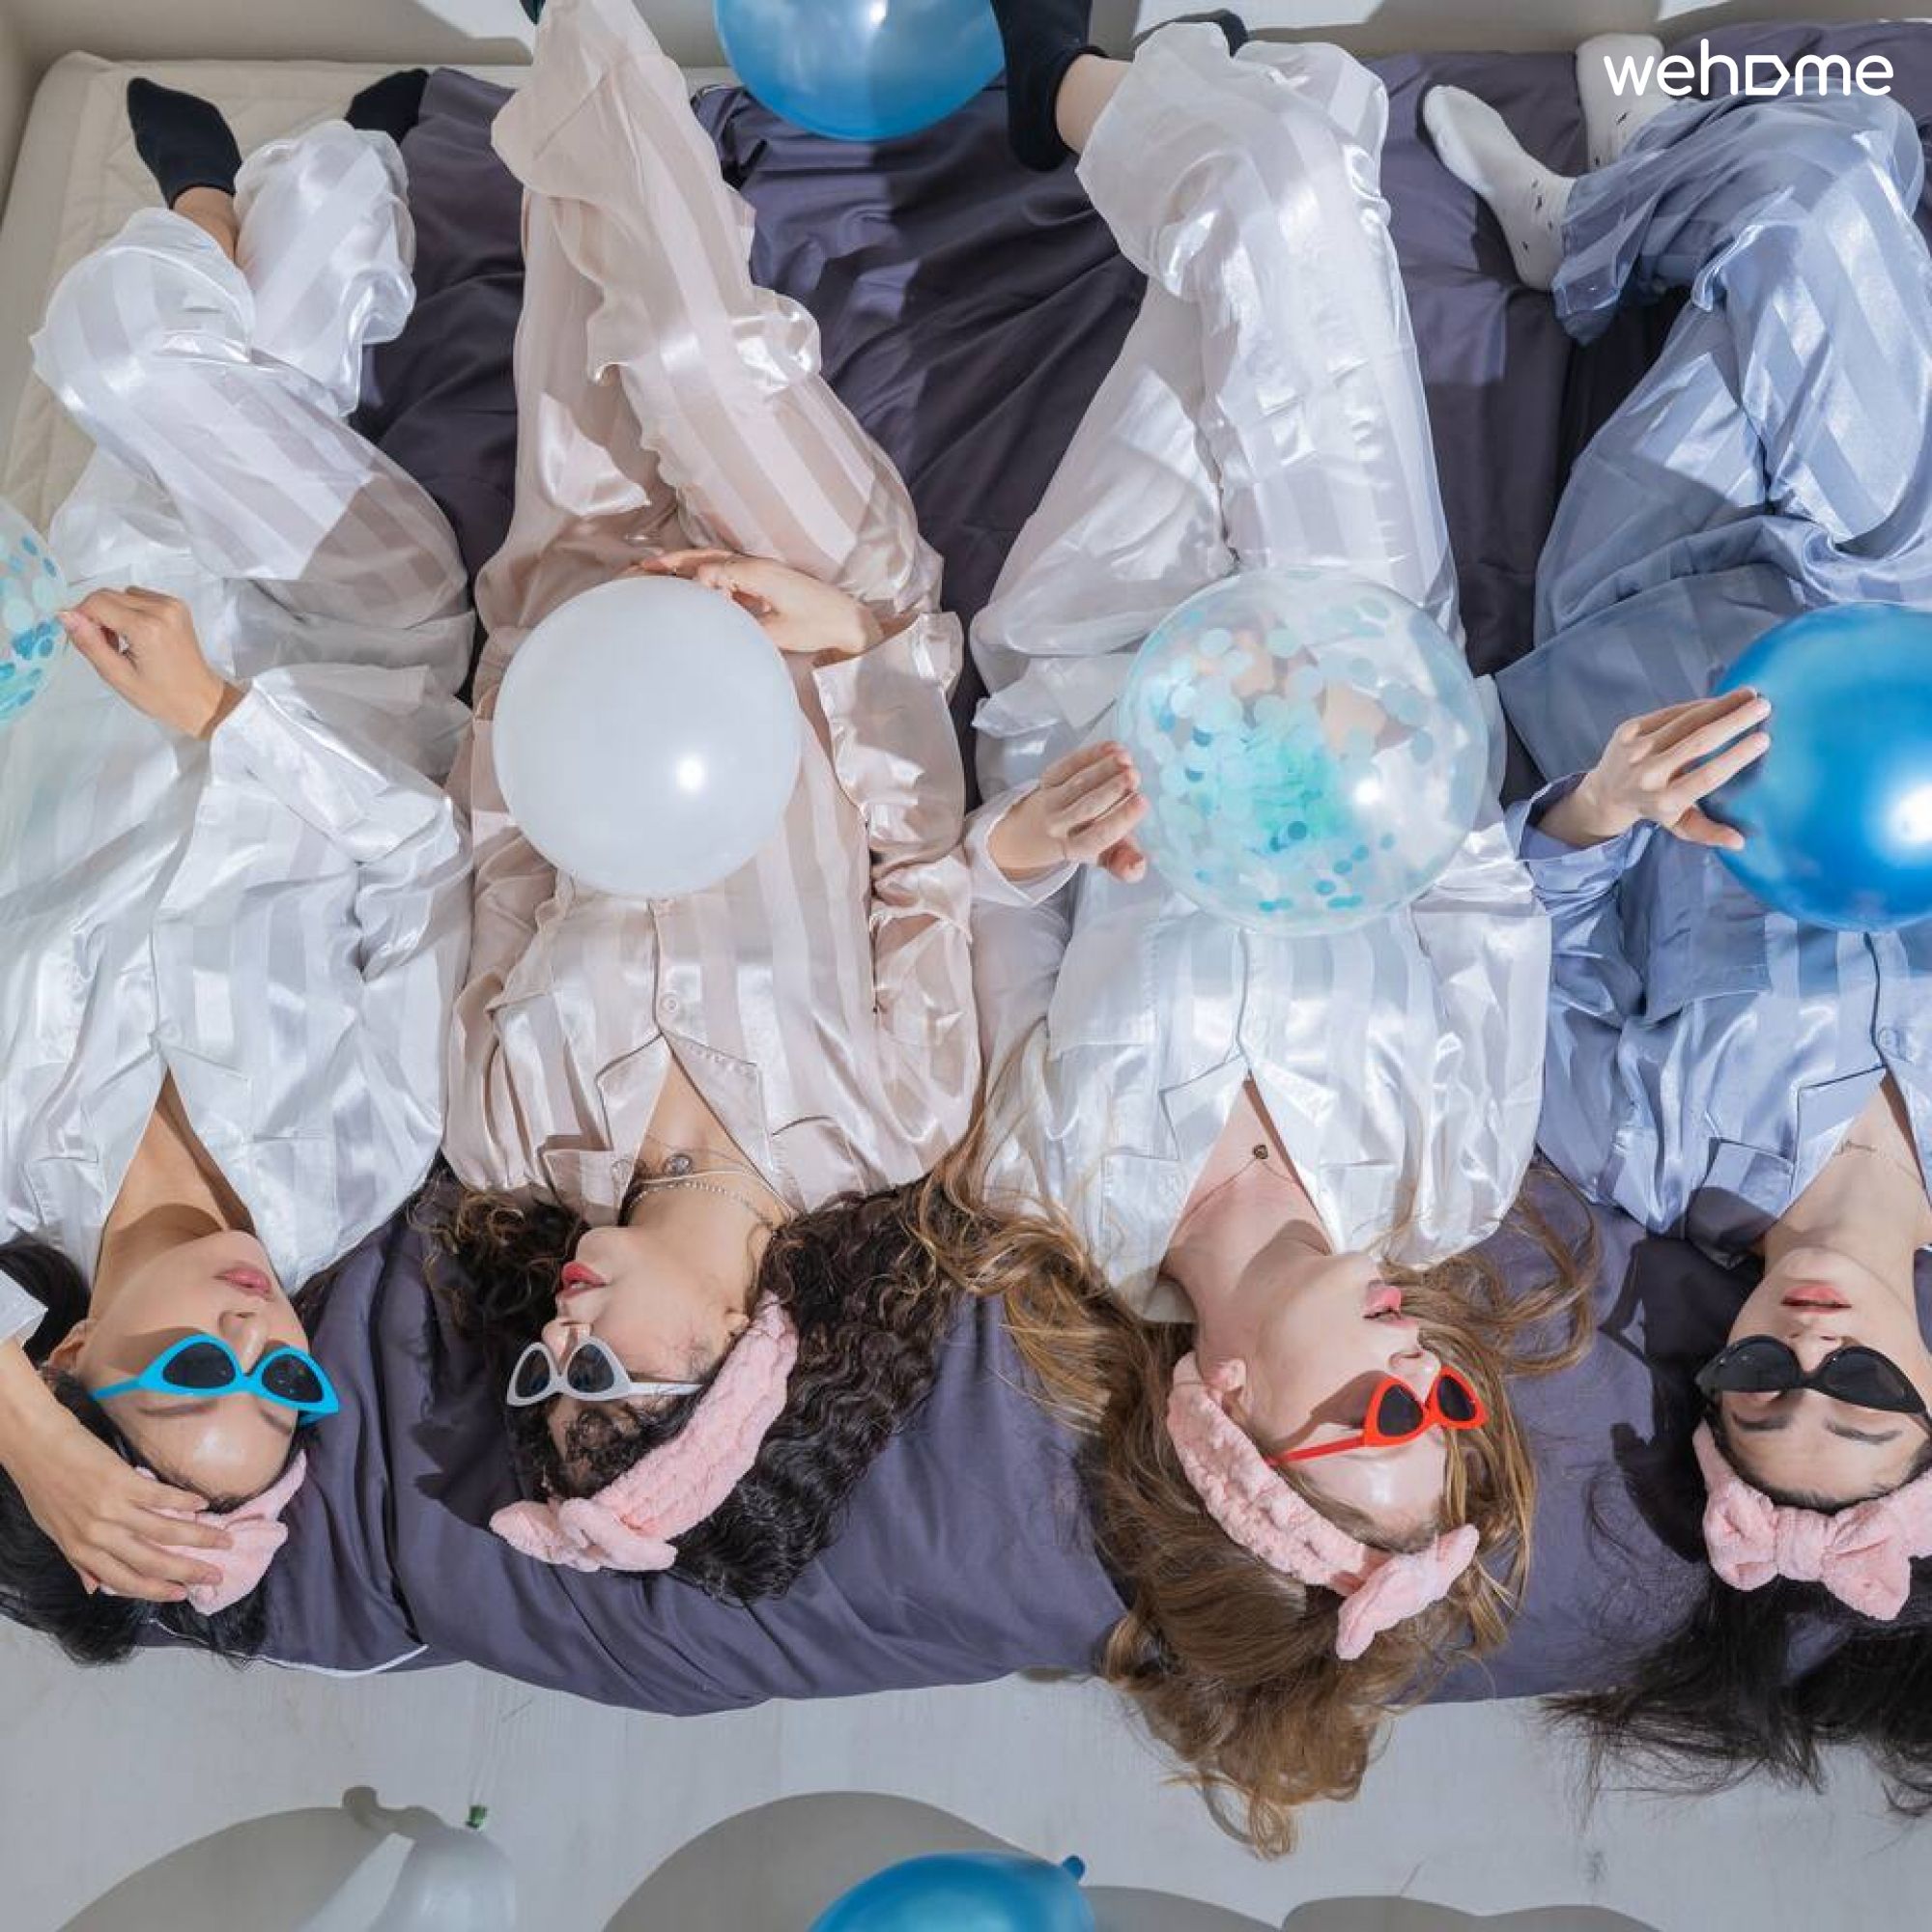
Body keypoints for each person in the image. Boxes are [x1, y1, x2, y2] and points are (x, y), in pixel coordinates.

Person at [967, 7, 1589, 1851]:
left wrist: (1032, 836)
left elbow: (979, 903)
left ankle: (1121, 88)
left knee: (1279, 194)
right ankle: (1119, 89)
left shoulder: (1046, 1184)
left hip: (1100, 645)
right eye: (1447, 1404)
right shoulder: (1450, 1171)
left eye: (1376, 1416)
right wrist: (1376, 735)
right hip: (1349, 638)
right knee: (1288, 193)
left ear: (1223, 1414)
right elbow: (1480, 890)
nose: (1424, 1371)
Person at [1426, 37, 1932, 1809]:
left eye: (1760, 1380)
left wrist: (1592, 812)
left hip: (1670, 596)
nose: (1811, 1340)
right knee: (1838, 184)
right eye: (1860, 1390)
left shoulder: (1645, 1148)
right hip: (1899, 596)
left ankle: (1606, 225)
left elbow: (1506, 938)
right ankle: (1630, 203)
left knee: (1826, 182)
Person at [437, 0, 980, 1599]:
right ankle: (581, 18)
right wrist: (854, 645)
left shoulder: (505, 1130)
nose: (562, 1338)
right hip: (821, 604)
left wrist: (541, 639)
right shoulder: (888, 1123)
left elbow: (499, 849)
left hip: (574, 600)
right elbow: (923, 861)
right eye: (607, 1375)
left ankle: (577, 61)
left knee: (568, 273)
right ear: (744, 1349)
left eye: (541, 1377)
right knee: (680, 346)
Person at [0, 75, 472, 1662]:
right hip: (353, 631)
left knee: (263, 290)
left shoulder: (13, 1151)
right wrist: (222, 714)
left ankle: (244, 212)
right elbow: (426, 858)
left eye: (196, 1370)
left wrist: (33, 1439)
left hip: (116, 592)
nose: (253, 1330)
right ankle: (242, 203)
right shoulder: (354, 1164)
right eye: (285, 1381)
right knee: (130, 349)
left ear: (71, 1359)